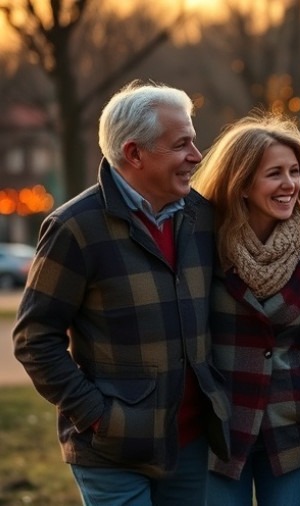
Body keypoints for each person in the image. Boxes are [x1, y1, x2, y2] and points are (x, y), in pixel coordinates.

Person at [12, 80, 230, 505]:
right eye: (181, 144)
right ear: (135, 153)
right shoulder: (75, 228)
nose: (196, 156)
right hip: (111, 450)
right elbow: (34, 339)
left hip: (191, 446)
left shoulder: (202, 216)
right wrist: (97, 416)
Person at [190, 114, 300, 505]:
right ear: (241, 183)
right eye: (275, 174)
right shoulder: (202, 244)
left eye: (294, 172)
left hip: (291, 428)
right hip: (219, 428)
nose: (290, 184)